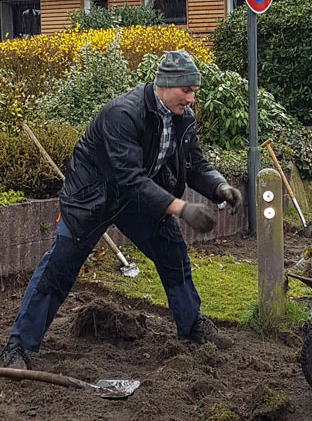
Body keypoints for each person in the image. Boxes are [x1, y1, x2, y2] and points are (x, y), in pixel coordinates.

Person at [1, 50, 243, 370]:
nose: (192, 99)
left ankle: (192, 326)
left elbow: (194, 164)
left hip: (137, 201)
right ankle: (18, 346)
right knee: (58, 268)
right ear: (166, 85)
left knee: (173, 252)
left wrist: (219, 187)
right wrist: (181, 208)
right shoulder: (123, 113)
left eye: (194, 91)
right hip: (91, 199)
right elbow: (129, 178)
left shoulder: (182, 118)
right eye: (187, 90)